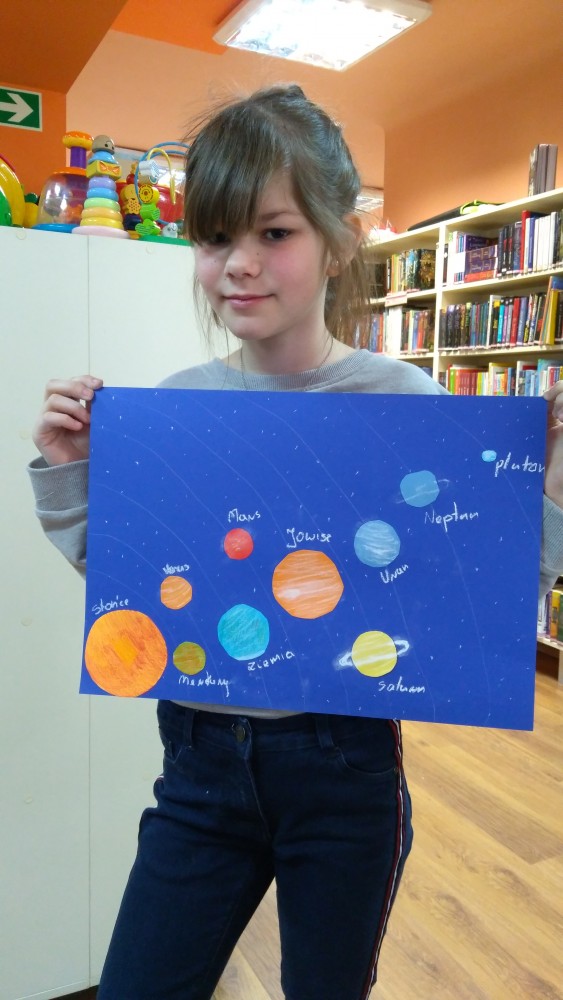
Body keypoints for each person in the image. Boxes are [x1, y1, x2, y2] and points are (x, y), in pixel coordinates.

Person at [29, 85, 563, 1000]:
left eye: (273, 233)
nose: (238, 264)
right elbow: (128, 585)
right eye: (213, 238)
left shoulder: (409, 405)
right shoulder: (177, 405)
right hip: (199, 767)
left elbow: (485, 595)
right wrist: (71, 471)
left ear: (339, 241)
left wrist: (546, 491)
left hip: (343, 774)